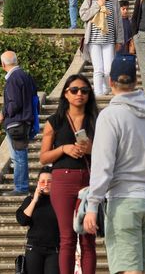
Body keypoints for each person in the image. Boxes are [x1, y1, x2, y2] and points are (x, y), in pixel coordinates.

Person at [83, 56, 145, 274]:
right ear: (136, 81)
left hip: (124, 199)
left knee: (128, 269)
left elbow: (103, 164)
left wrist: (92, 204)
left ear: (110, 81)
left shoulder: (110, 115)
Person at [39, 74, 97, 274]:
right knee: (67, 238)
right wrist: (64, 149)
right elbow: (44, 157)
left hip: (89, 179)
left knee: (88, 236)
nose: (79, 94)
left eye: (84, 90)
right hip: (63, 179)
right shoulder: (55, 121)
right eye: (74, 90)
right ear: (65, 93)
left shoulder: (96, 119)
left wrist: (91, 149)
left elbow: (110, 152)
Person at [0, 51, 38, 196]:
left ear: (3, 64)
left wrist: (3, 113)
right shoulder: (25, 76)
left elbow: (14, 103)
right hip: (25, 120)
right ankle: (22, 186)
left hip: (16, 123)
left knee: (18, 156)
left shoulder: (13, 78)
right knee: (20, 155)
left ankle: (21, 187)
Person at [80, 0, 124, 96]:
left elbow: (119, 21)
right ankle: (98, 94)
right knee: (98, 69)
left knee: (108, 70)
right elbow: (83, 15)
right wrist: (97, 6)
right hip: (94, 40)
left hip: (109, 39)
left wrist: (119, 40)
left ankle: (106, 89)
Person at [16, 169, 61, 274]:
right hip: (34, 249)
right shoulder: (30, 200)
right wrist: (35, 200)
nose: (46, 184)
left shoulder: (60, 201)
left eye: (49, 181)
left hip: (54, 250)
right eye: (42, 181)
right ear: (37, 183)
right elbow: (22, 220)